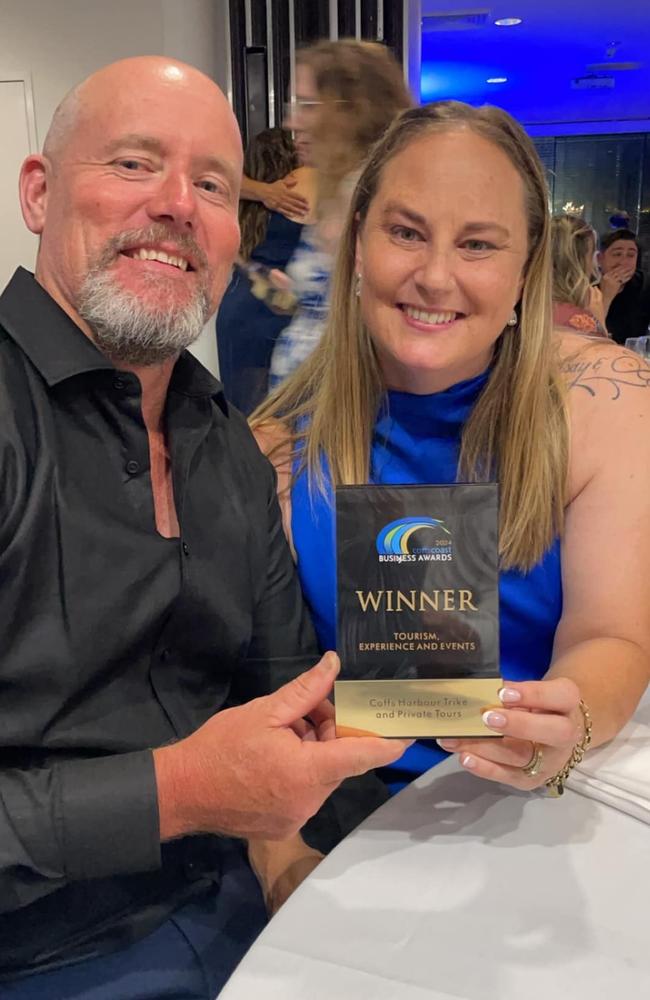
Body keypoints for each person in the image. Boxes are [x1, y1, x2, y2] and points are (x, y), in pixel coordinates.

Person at [0, 57, 410, 997]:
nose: (178, 205)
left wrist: (475, 729)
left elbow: (281, 691)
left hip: (244, 912)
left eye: (213, 184)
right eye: (135, 164)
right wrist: (179, 793)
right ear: (38, 191)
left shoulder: (222, 438)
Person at [252, 101, 650, 799]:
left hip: (540, 805)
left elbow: (613, 636)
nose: (436, 277)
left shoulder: (608, 405)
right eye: (406, 232)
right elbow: (265, 681)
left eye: (477, 244)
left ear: (525, 268)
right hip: (347, 809)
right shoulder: (280, 446)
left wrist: (568, 717)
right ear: (359, 243)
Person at [268, 38, 411, 390]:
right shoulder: (339, 189)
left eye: (308, 105)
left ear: (352, 110)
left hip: (340, 415)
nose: (291, 122)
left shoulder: (376, 197)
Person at [217, 127, 314, 412]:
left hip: (241, 306)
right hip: (286, 305)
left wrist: (260, 191)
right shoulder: (306, 183)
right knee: (288, 414)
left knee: (243, 412)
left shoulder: (237, 202)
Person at [550, 214, 608, 337]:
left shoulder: (528, 302)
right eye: (592, 253)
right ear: (578, 261)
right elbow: (603, 354)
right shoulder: (579, 319)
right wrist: (599, 323)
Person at [598, 228, 650, 343]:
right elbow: (585, 333)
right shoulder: (585, 286)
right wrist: (606, 296)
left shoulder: (644, 284)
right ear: (599, 259)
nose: (624, 262)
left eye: (631, 255)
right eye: (617, 254)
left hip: (633, 356)